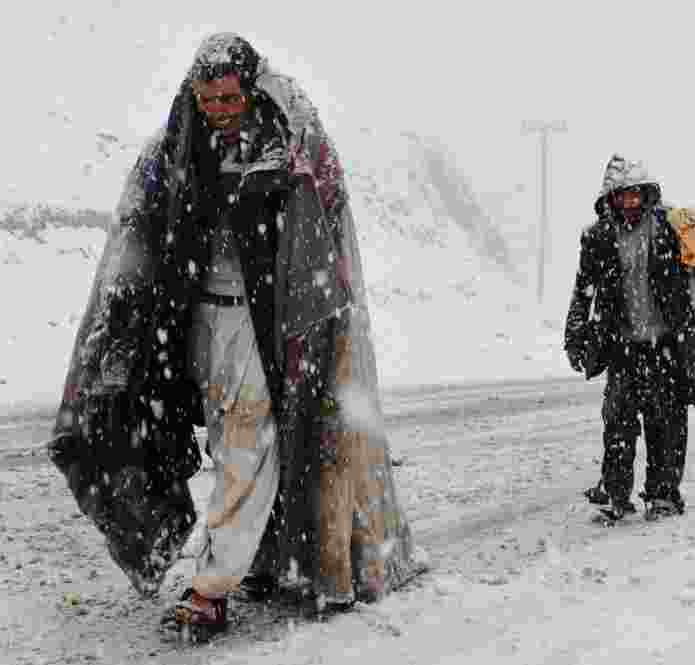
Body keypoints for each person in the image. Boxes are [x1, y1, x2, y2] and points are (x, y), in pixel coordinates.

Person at [48, 33, 424, 637]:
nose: (219, 109)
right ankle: (259, 555)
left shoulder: (286, 146)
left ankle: (213, 586)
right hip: (187, 319)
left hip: (257, 320)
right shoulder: (173, 152)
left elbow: (322, 223)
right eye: (208, 99)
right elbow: (136, 236)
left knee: (249, 438)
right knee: (212, 441)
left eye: (229, 98)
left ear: (249, 92)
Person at [564, 154, 695, 522]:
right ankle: (615, 495)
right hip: (622, 345)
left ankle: (663, 496)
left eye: (635, 196)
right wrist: (575, 332)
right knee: (618, 422)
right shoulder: (597, 238)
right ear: (609, 200)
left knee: (667, 423)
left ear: (646, 195)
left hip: (667, 343)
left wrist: (694, 330)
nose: (628, 203)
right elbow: (584, 290)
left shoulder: (670, 229)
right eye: (620, 197)